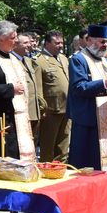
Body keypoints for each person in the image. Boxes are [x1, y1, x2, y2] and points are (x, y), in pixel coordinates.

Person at [67, 23, 107, 175]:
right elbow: (79, 87)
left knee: (104, 164)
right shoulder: (78, 59)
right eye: (101, 41)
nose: (105, 45)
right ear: (88, 40)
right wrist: (104, 83)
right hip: (88, 119)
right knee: (87, 163)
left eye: (106, 42)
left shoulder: (106, 61)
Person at [0, 22, 36, 161]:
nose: (16, 41)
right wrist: (11, 88)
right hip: (1, 118)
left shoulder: (12, 58)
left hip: (17, 118)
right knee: (6, 156)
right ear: (2, 39)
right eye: (13, 37)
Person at [35, 31, 71, 163]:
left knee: (63, 144)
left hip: (67, 107)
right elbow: (38, 87)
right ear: (47, 43)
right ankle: (47, 170)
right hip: (50, 110)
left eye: (62, 43)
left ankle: (61, 168)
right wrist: (42, 109)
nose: (60, 45)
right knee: (48, 145)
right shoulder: (39, 61)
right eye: (57, 43)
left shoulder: (63, 58)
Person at [13, 32, 45, 145]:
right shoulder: (11, 61)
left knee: (33, 143)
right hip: (22, 111)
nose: (29, 45)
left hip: (34, 110)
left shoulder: (27, 60)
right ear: (16, 45)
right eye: (25, 43)